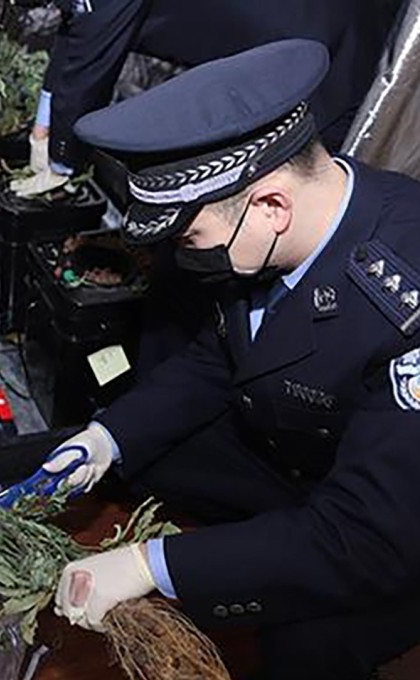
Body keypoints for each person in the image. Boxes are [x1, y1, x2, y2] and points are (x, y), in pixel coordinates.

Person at [34, 39, 420, 679]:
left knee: (303, 648)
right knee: (151, 457)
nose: (188, 256)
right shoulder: (289, 218)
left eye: (191, 238)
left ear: (271, 205)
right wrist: (107, 439)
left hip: (393, 523)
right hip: (311, 454)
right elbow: (224, 356)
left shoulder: (404, 303)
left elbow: (366, 536)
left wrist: (149, 566)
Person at [11, 0, 402, 197]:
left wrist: (62, 163)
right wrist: (44, 125)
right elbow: (78, 28)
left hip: (319, 46)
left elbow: (89, 57)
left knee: (292, 183)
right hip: (328, 22)